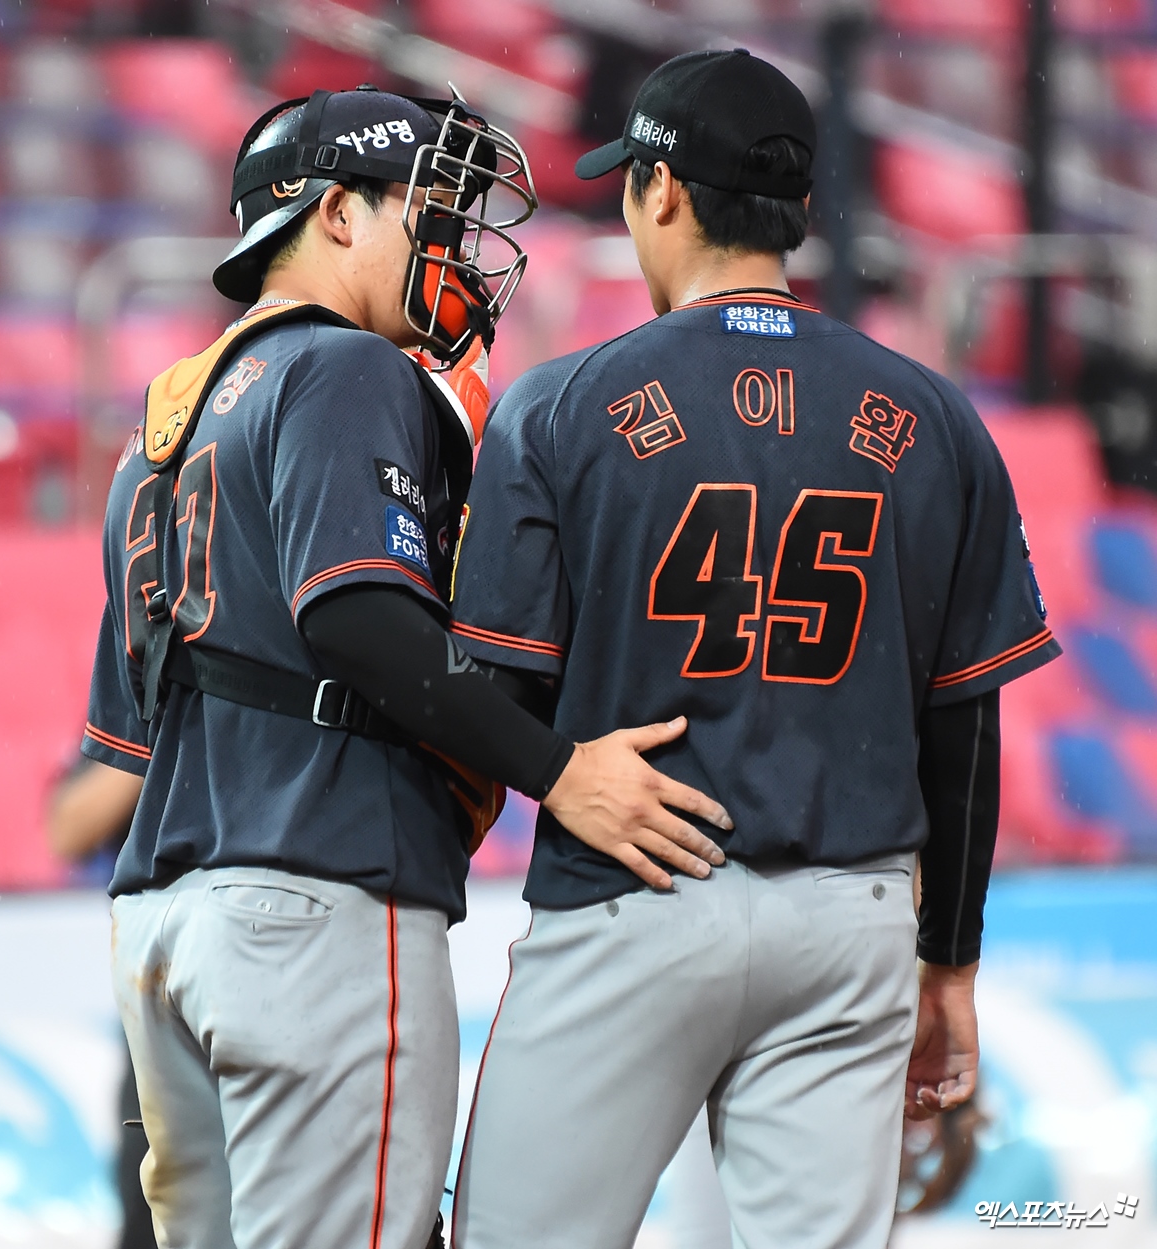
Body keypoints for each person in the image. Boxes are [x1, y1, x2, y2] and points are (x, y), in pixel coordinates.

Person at [81, 86, 729, 1249]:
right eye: (426, 208)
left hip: (164, 927)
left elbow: (128, 729)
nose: (454, 243)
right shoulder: (346, 369)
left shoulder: (160, 427)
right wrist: (558, 770)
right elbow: (360, 623)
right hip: (314, 906)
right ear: (336, 214)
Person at [447, 50, 1060, 1249]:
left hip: (638, 893)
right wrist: (949, 963)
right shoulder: (934, 414)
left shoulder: (565, 402)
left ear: (663, 193)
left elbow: (492, 687)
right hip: (853, 915)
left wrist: (555, 775)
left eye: (632, 183)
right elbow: (963, 721)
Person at [47, 759, 154, 1249]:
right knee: (151, 1199)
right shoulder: (150, 695)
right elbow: (68, 828)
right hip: (162, 999)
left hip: (288, 983)